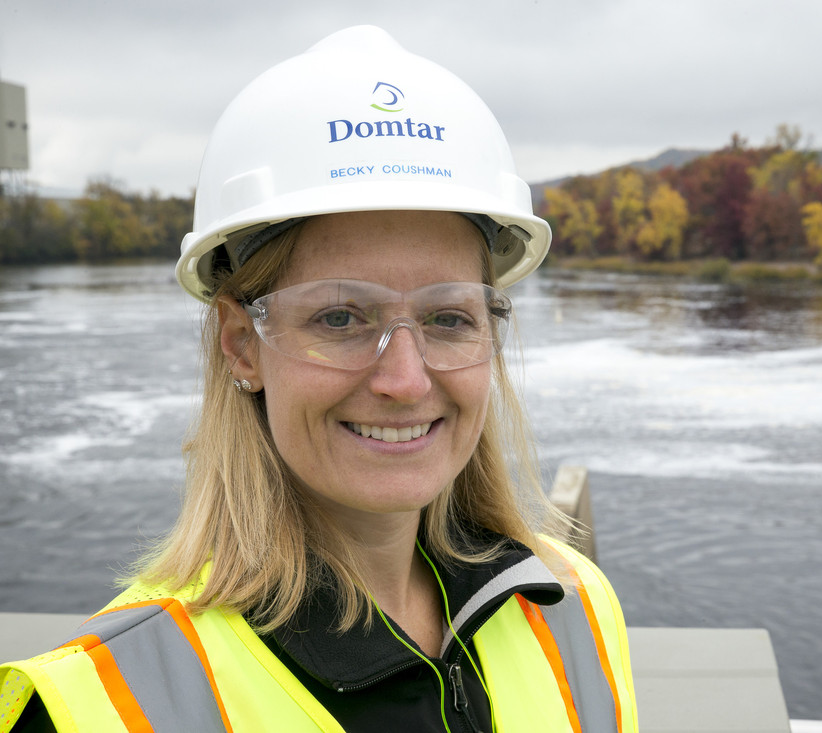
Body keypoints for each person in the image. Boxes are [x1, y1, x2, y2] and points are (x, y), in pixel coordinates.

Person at [0, 26, 637, 732]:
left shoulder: (575, 611)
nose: (404, 378)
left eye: (449, 318)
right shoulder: (104, 707)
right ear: (241, 345)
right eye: (340, 318)